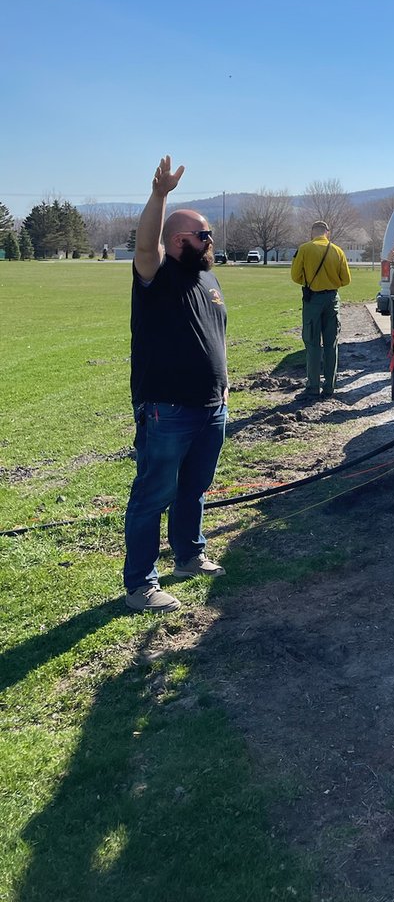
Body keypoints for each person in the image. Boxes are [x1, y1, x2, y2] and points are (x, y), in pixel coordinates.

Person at [123, 155, 228, 613]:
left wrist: (225, 383)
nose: (210, 240)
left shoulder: (208, 277)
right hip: (167, 408)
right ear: (178, 240)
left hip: (211, 405)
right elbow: (146, 246)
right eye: (204, 235)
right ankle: (141, 585)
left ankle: (188, 555)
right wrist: (159, 195)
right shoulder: (157, 273)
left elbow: (216, 334)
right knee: (153, 495)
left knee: (194, 488)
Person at [291, 221, 351, 398]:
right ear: (327, 233)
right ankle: (329, 386)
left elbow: (295, 276)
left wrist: (309, 282)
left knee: (312, 344)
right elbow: (346, 279)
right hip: (332, 300)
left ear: (312, 233)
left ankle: (313, 387)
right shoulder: (338, 251)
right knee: (331, 344)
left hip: (313, 301)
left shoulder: (304, 249)